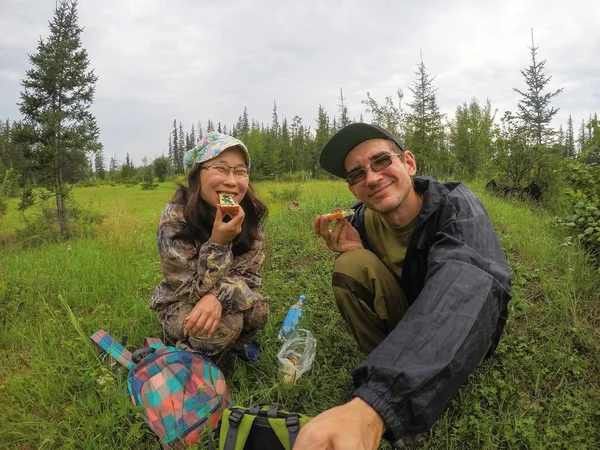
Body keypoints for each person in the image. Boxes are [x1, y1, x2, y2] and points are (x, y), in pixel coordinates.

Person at [295, 123, 512, 449]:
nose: (371, 177)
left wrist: (378, 404)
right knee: (350, 266)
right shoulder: (362, 219)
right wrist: (357, 247)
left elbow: (462, 291)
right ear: (354, 190)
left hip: (466, 327)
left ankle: (401, 393)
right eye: (356, 174)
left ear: (408, 163)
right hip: (409, 319)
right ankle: (393, 367)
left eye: (381, 161)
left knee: (455, 292)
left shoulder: (457, 209)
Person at [150, 132, 269, 362]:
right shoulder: (174, 219)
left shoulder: (249, 213)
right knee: (225, 325)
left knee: (259, 311)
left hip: (222, 293)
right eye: (221, 169)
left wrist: (218, 297)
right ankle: (188, 354)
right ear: (197, 176)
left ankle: (235, 346)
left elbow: (250, 276)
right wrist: (218, 243)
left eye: (240, 171)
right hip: (180, 301)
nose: (232, 181)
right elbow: (190, 291)